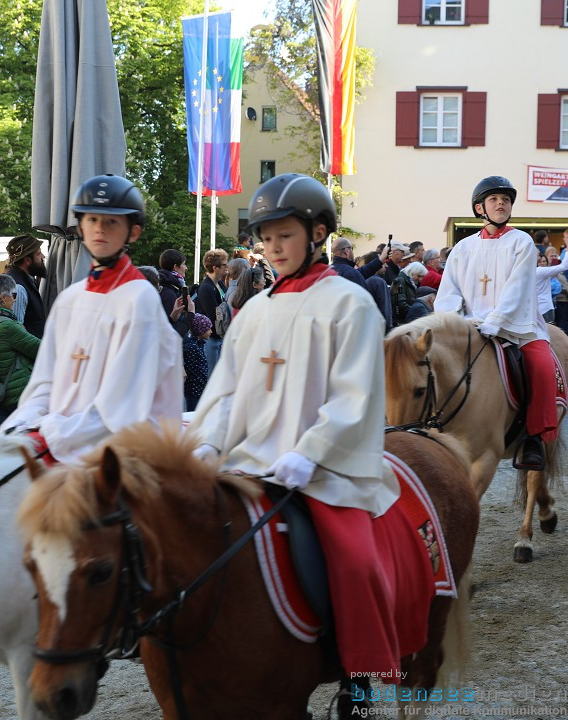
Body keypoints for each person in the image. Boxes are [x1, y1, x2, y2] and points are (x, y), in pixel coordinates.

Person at [190, 173, 425, 693]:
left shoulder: (350, 302)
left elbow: (354, 396)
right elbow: (227, 389)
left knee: (358, 563)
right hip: (247, 459)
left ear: (317, 232)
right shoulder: (254, 310)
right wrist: (208, 440)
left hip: (324, 468)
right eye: (265, 236)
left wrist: (309, 453)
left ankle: (359, 675)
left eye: (285, 235)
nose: (272, 247)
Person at [1, 174, 182, 462]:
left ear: (132, 232)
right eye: (91, 220)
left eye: (111, 221)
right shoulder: (70, 299)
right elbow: (45, 380)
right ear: (81, 227)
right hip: (61, 439)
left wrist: (54, 434)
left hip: (121, 455)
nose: (99, 229)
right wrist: (23, 422)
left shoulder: (139, 299)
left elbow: (124, 404)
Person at [435, 176, 561, 468]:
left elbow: (518, 286)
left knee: (541, 366)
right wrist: (453, 320)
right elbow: (449, 290)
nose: (501, 203)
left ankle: (534, 438)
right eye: (494, 199)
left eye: (506, 200)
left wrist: (496, 320)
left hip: (516, 325)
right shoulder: (463, 248)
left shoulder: (522, 242)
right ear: (480, 208)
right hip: (469, 326)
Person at [0, 274, 41, 426]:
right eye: (14, 295)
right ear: (4, 298)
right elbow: (40, 350)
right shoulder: (7, 326)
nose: (15, 299)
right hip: (17, 396)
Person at [5, 234, 48, 338]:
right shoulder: (18, 287)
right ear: (27, 260)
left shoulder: (25, 279)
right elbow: (17, 332)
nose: (42, 257)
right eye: (38, 254)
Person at [195, 248, 229, 374]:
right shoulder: (206, 288)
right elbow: (213, 316)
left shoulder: (219, 283)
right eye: (225, 264)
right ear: (215, 268)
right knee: (212, 376)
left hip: (219, 338)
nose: (227, 267)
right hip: (211, 340)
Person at [535, 233, 568, 324]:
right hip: (545, 309)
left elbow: (555, 274)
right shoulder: (539, 271)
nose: (539, 252)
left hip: (537, 309)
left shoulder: (528, 271)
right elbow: (565, 266)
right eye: (537, 252)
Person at [157, 248, 194, 338]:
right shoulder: (169, 292)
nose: (186, 267)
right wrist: (190, 314)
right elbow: (171, 333)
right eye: (184, 264)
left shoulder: (171, 286)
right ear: (175, 267)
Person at [183, 313, 211, 412]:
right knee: (193, 413)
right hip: (194, 389)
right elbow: (189, 369)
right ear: (200, 330)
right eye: (208, 329)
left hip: (199, 387)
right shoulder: (193, 347)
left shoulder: (198, 344)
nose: (211, 331)